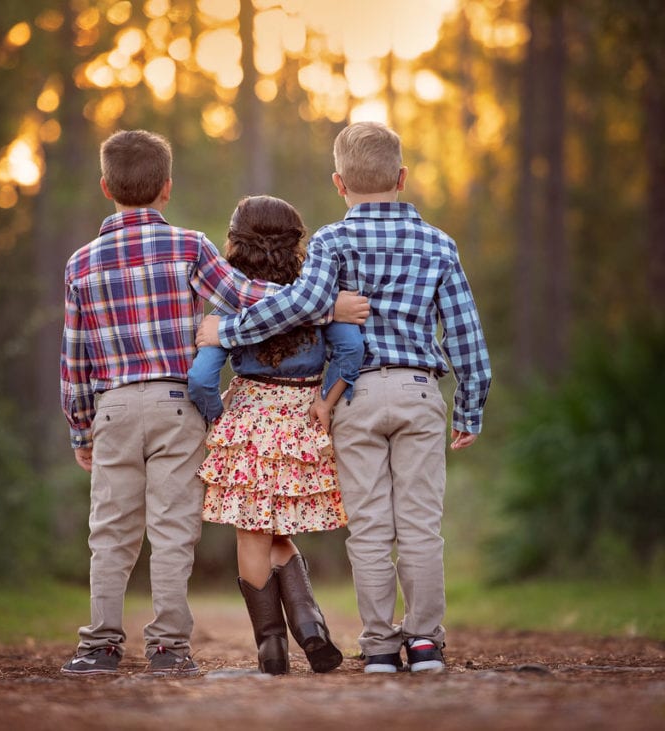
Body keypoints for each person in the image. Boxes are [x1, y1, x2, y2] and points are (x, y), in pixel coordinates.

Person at [59, 130, 368, 677]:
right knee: (175, 529)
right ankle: (168, 647)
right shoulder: (190, 247)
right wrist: (325, 305)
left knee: (110, 531)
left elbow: (74, 359)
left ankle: (100, 645)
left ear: (106, 186)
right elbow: (250, 297)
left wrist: (82, 430)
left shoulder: (81, 264)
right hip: (176, 404)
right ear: (167, 189)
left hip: (111, 407)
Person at [195, 121, 492, 674]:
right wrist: (470, 404)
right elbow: (466, 335)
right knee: (422, 525)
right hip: (419, 391)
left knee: (372, 527)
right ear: (402, 177)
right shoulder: (439, 244)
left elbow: (299, 307)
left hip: (356, 398)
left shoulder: (332, 242)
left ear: (339, 183)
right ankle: (425, 642)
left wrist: (229, 332)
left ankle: (380, 645)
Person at [187, 195, 364, 676]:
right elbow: (351, 352)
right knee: (275, 528)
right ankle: (310, 628)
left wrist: (216, 416)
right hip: (303, 418)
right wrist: (325, 403)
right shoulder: (318, 295)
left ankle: (272, 648)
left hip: (249, 416)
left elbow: (202, 379)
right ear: (295, 242)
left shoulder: (228, 301)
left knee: (254, 532)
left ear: (237, 241)